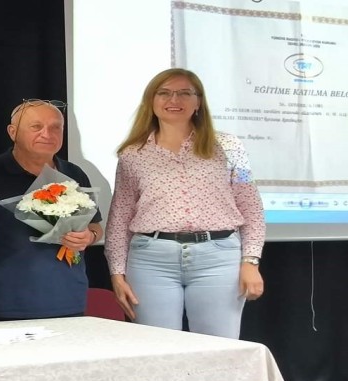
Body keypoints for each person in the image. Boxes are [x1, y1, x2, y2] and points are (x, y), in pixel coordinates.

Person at [104, 68, 265, 339]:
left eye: (184, 93)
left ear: (198, 101)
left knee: (217, 348)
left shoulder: (230, 146)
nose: (173, 100)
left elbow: (251, 207)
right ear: (151, 100)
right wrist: (117, 273)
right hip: (151, 261)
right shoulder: (132, 154)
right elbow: (120, 217)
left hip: (218, 260)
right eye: (164, 93)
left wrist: (251, 261)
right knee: (159, 348)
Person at [0, 99, 103, 322]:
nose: (47, 134)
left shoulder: (74, 173)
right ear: (12, 132)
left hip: (67, 301)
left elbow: (95, 224)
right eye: (36, 127)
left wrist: (90, 236)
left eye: (56, 127)